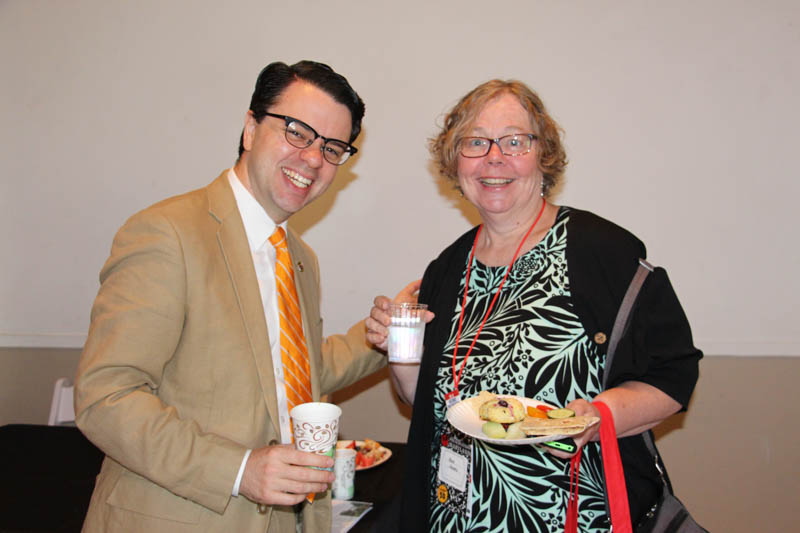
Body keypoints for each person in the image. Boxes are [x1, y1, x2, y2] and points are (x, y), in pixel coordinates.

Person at [366, 79, 702, 532]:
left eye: (514, 141)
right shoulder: (445, 270)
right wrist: (399, 350)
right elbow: (422, 398)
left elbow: (674, 373)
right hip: (454, 516)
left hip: (567, 518)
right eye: (475, 142)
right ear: (454, 161)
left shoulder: (600, 251)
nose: (494, 157)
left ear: (543, 156)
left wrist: (602, 414)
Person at [74, 60, 386, 533]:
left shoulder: (300, 258)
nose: (313, 159)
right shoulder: (168, 233)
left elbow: (292, 376)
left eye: (332, 147)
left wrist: (378, 336)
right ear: (249, 127)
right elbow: (107, 396)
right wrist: (240, 470)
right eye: (298, 132)